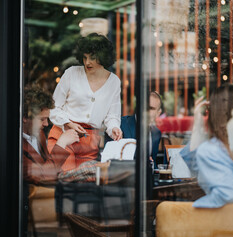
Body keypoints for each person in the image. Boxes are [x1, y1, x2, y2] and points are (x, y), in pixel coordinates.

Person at [48, 33, 123, 172]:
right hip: (64, 135)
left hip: (90, 142)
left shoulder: (114, 82)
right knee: (67, 181)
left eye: (93, 58)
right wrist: (68, 123)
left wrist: (114, 128)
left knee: (86, 185)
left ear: (103, 57)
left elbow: (112, 116)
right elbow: (53, 107)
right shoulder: (71, 73)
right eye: (85, 57)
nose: (87, 62)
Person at [23, 87, 79, 184]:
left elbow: (51, 166)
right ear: (25, 118)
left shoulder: (38, 133)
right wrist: (61, 143)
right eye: (42, 119)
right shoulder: (16, 146)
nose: (46, 124)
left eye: (47, 119)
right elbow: (42, 176)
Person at [118, 91, 163, 169]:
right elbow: (111, 159)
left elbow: (152, 161)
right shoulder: (120, 124)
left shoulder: (156, 133)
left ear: (158, 113)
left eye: (151, 108)